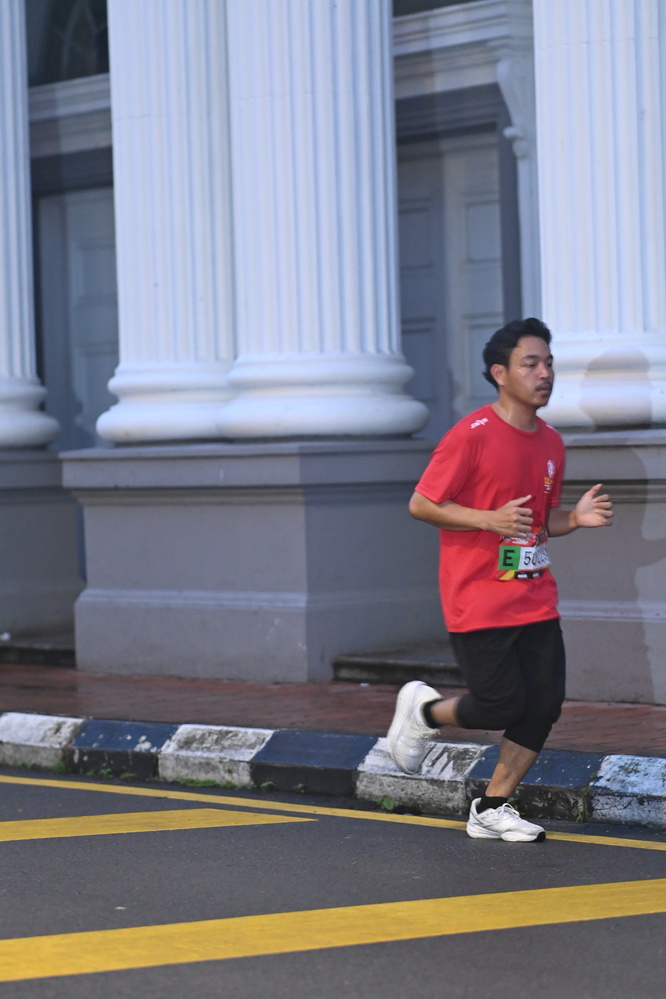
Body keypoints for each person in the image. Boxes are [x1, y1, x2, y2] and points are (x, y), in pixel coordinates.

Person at [387, 317, 613, 842]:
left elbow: (539, 522)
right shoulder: (471, 436)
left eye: (549, 363)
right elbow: (422, 503)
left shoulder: (551, 442)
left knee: (544, 705)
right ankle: (425, 710)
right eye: (530, 364)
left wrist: (574, 518)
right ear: (499, 373)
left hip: (534, 594)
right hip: (479, 597)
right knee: (501, 704)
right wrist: (487, 520)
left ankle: (491, 806)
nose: (544, 373)